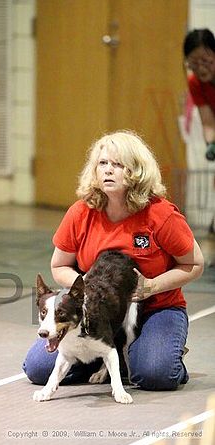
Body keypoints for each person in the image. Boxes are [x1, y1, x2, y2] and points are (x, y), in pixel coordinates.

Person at [23, 130, 204, 391]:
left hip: (156, 308)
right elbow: (59, 266)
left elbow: (194, 264)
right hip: (96, 312)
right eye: (102, 164)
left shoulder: (160, 214)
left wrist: (151, 286)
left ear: (136, 171)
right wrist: (82, 289)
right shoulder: (81, 212)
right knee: (39, 369)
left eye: (118, 165)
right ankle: (107, 355)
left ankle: (164, 356)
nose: (108, 170)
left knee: (155, 374)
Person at [183, 28, 215, 161]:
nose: (201, 69)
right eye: (194, 64)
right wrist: (211, 144)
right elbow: (207, 122)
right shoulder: (195, 82)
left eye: (206, 62)